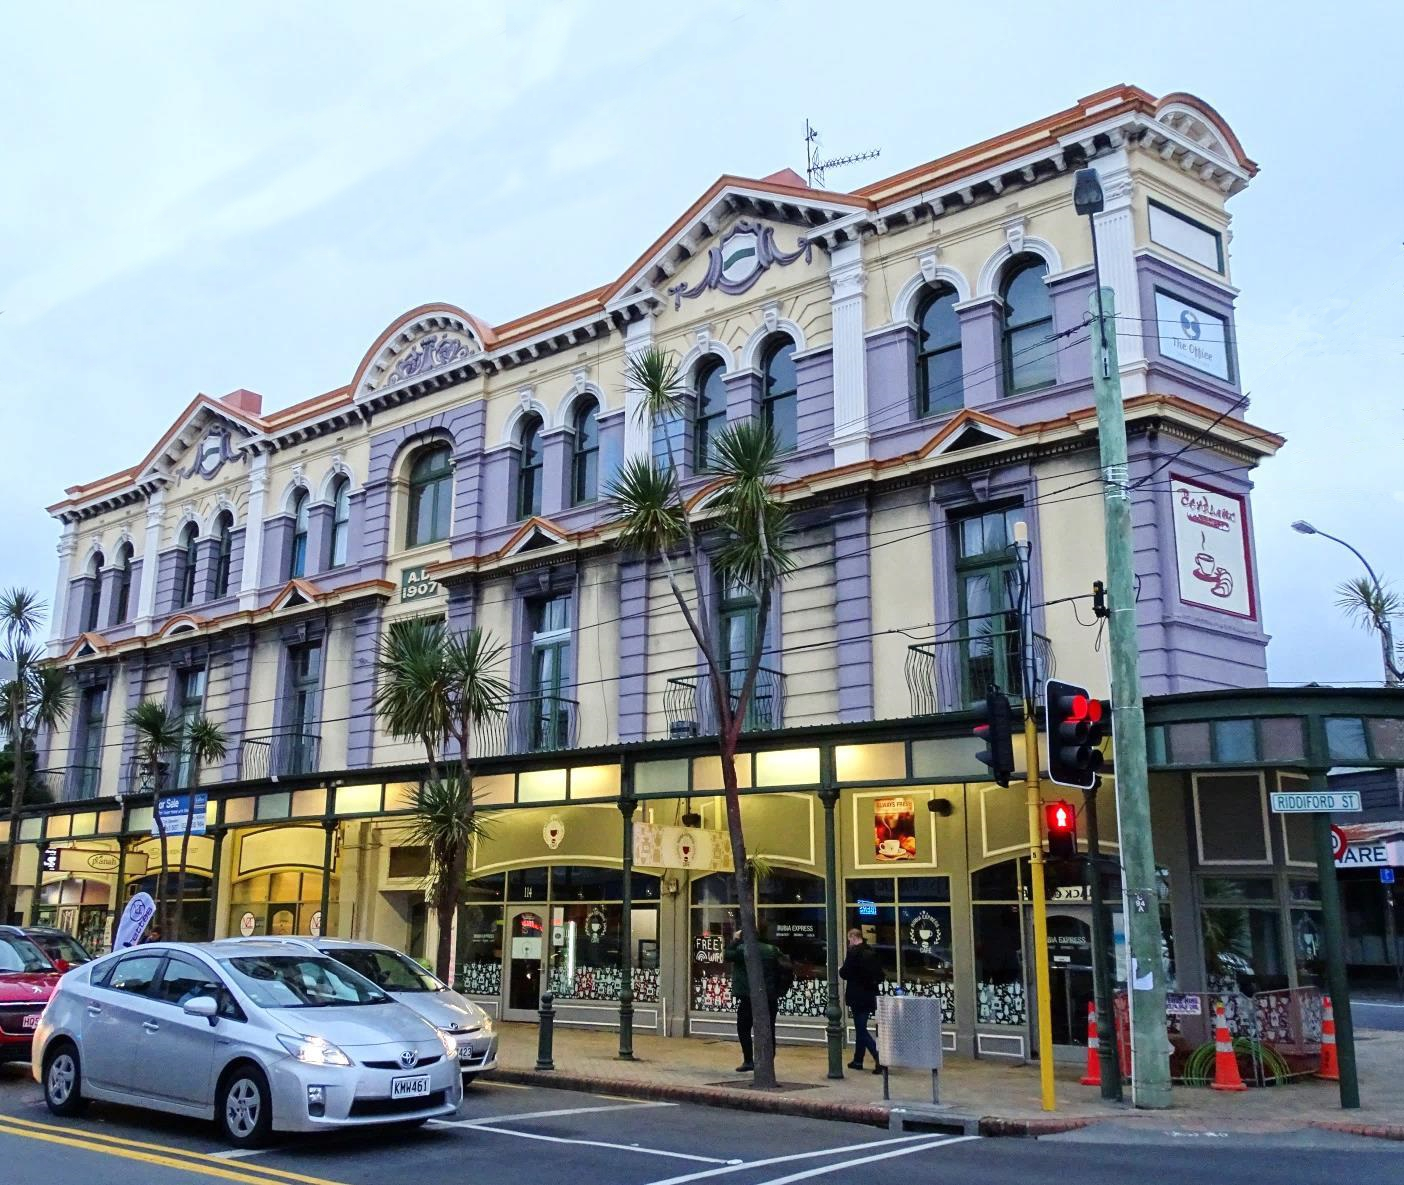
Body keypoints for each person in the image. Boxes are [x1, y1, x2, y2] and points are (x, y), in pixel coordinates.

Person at [725, 923, 782, 1073]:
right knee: (769, 1029)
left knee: (743, 1028)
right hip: (769, 996)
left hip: (748, 997)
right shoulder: (772, 950)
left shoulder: (743, 949)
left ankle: (749, 1059)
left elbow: (726, 955)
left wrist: (736, 940)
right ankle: (768, 1060)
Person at [839, 927, 883, 1073]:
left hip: (857, 995)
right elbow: (880, 976)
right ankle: (858, 1060)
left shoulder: (854, 953)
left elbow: (844, 973)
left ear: (852, 937)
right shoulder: (871, 952)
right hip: (869, 995)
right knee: (860, 1027)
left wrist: (842, 970)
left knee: (861, 1029)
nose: (848, 942)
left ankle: (878, 1058)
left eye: (849, 939)